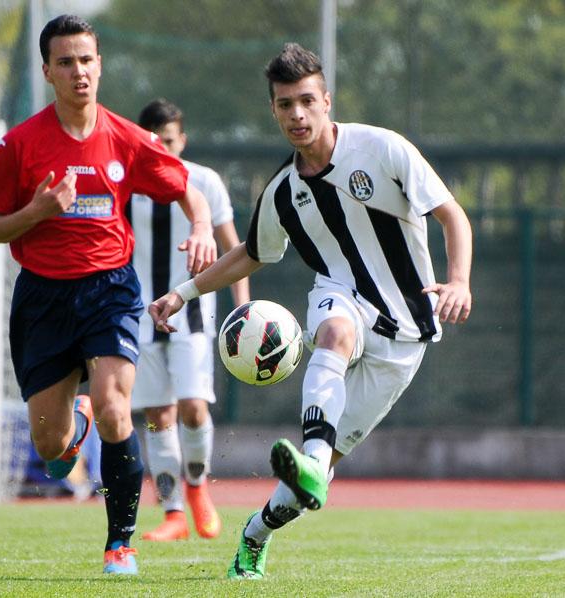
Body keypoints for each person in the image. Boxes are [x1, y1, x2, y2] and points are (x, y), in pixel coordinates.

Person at [148, 43, 473, 579]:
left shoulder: (384, 149)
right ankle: (313, 460)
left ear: (326, 101)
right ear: (273, 110)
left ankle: (256, 532)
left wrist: (459, 281)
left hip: (408, 334)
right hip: (341, 294)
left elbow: (452, 216)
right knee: (334, 334)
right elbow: (251, 254)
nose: (296, 114)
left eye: (305, 101)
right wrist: (184, 292)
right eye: (283, 105)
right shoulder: (282, 192)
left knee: (306, 486)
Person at [0, 15, 217, 575]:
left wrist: (201, 228)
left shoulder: (127, 137)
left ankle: (120, 545)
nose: (78, 71)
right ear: (47, 71)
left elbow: (188, 189)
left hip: (110, 289)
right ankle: (72, 427)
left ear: (100, 66)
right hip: (42, 298)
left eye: (87, 60)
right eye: (66, 61)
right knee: (49, 447)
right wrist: (36, 212)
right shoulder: (19, 144)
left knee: (116, 409)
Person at [129, 99, 250, 542]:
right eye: (155, 142)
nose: (164, 149)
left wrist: (242, 310)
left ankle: (197, 488)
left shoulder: (205, 182)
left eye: (171, 142)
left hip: (193, 315)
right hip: (139, 318)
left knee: (193, 408)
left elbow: (236, 249)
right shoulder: (125, 183)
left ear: (183, 140)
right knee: (158, 416)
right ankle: (173, 513)